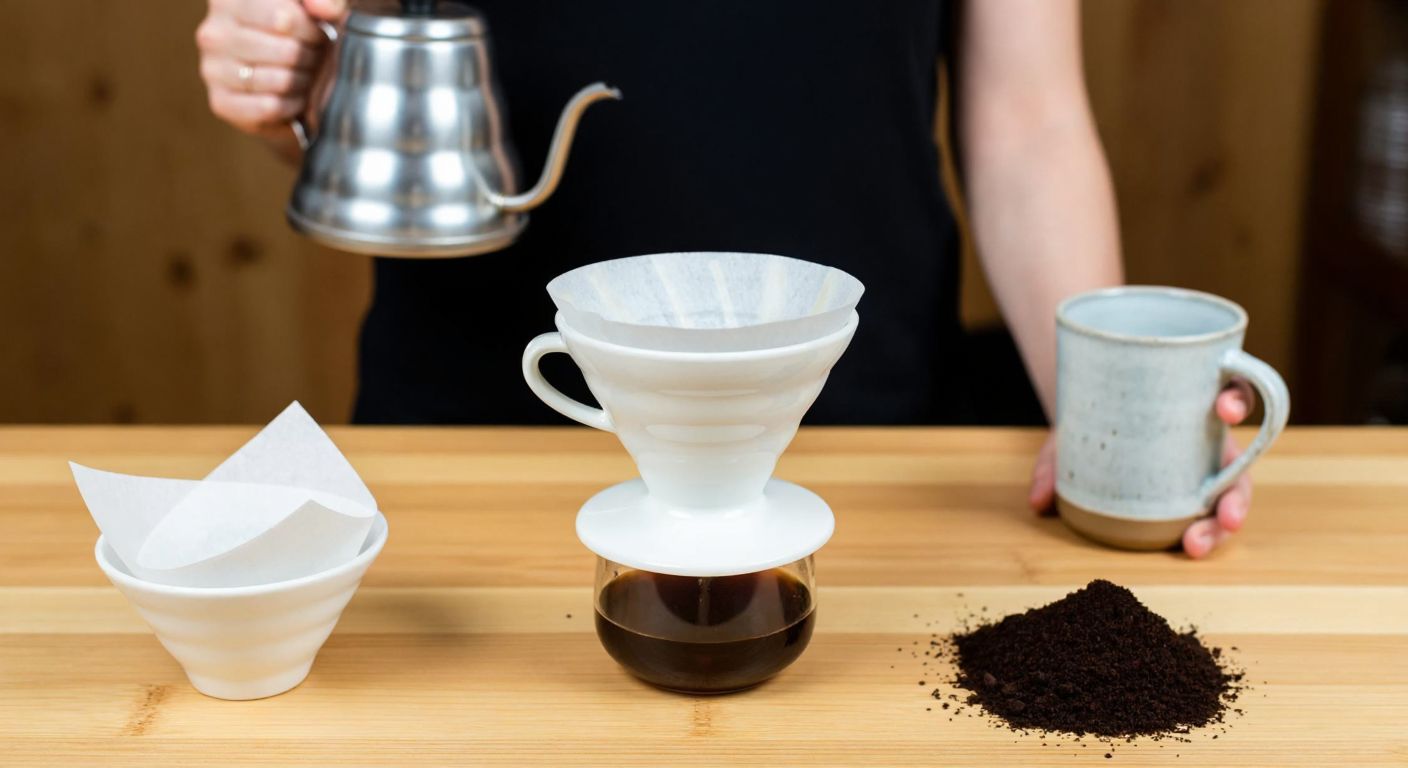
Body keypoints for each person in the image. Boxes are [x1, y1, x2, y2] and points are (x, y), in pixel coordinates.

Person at [195, 0, 1254, 558]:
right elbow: (360, 79)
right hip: (475, 454)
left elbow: (1030, 123)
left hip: (860, 456)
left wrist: (1109, 415)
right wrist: (295, 85)